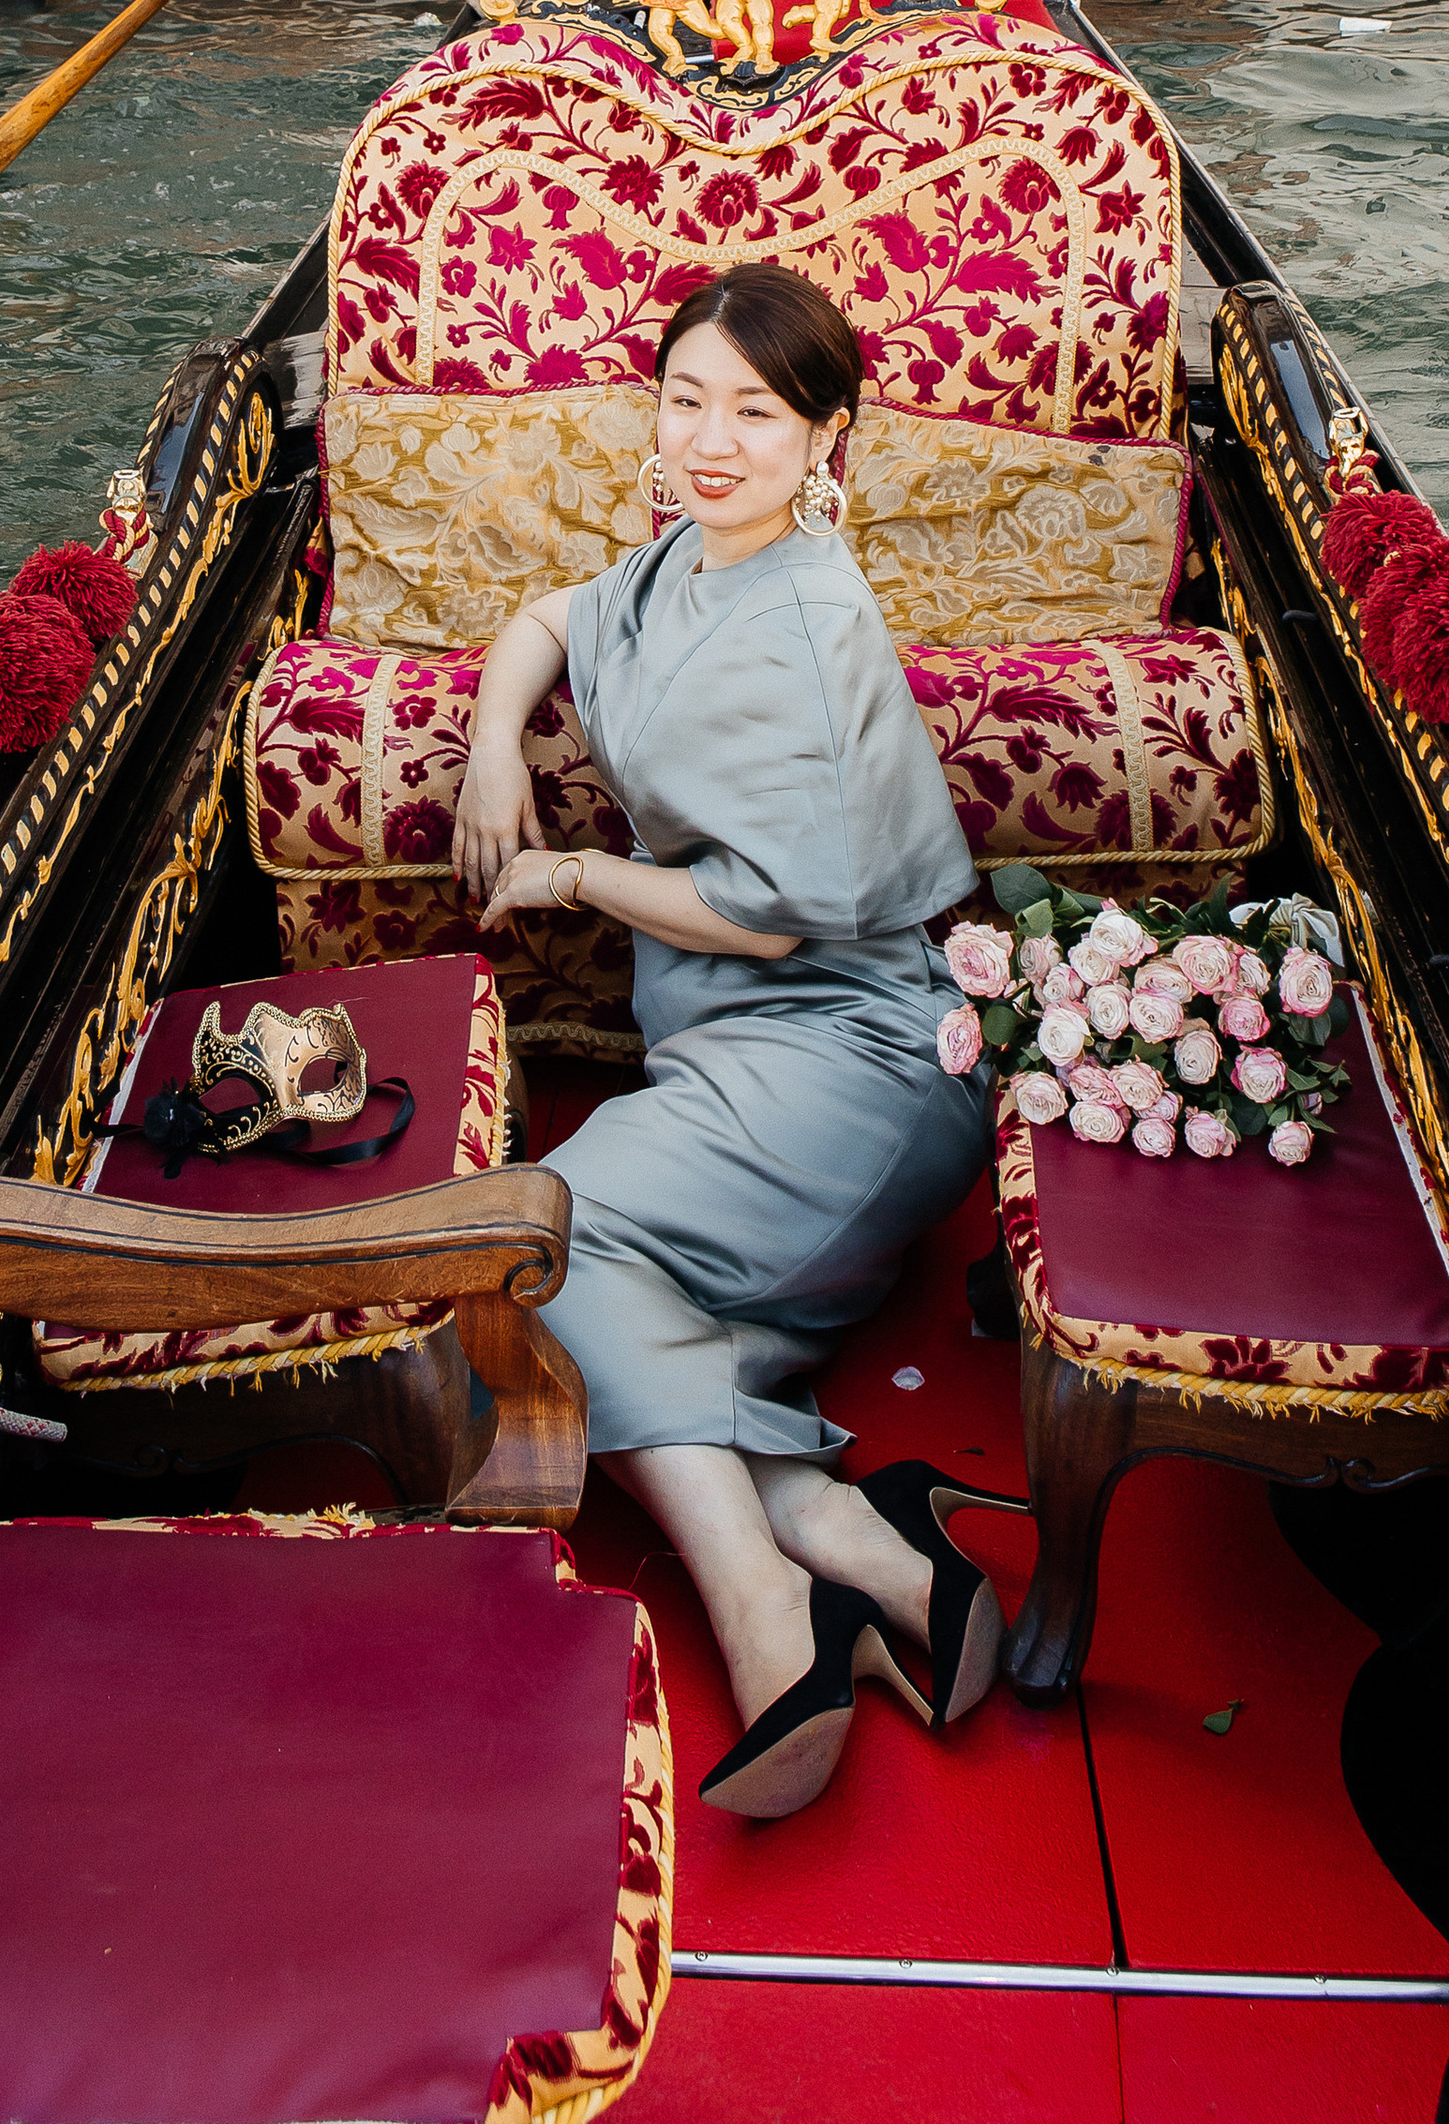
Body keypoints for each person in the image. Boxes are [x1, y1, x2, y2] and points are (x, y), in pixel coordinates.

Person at [450, 264, 1018, 1820]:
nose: (710, 441)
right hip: (726, 1047)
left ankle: (763, 1597)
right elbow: (552, 616)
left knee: (538, 1244)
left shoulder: (806, 626)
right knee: (559, 1280)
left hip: (859, 1048)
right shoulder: (684, 562)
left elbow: (766, 918)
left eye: (756, 414)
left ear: (827, 437)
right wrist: (495, 746)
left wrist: (568, 874)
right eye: (685, 400)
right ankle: (846, 1529)